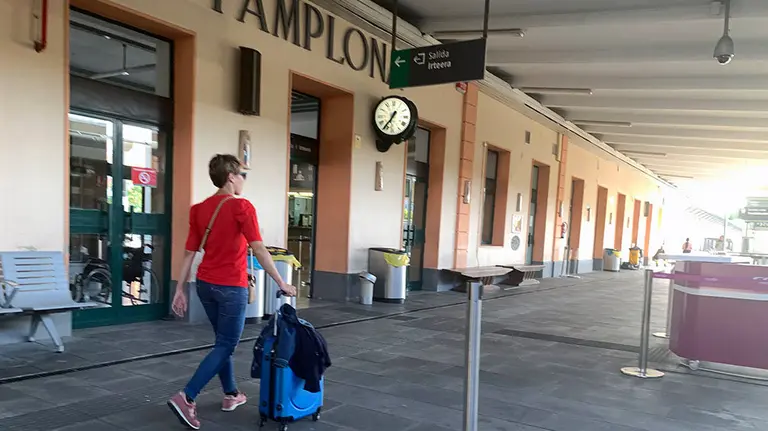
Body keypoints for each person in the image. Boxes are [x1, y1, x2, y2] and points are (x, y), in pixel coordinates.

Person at [167, 154, 297, 430]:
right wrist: (281, 283)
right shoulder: (242, 207)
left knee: (221, 342)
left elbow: (190, 253)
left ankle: (231, 394)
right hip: (230, 287)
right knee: (226, 344)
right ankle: (186, 396)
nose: (243, 180)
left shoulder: (199, 209)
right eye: (242, 175)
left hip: (205, 285)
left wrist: (180, 288)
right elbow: (259, 249)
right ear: (230, 176)